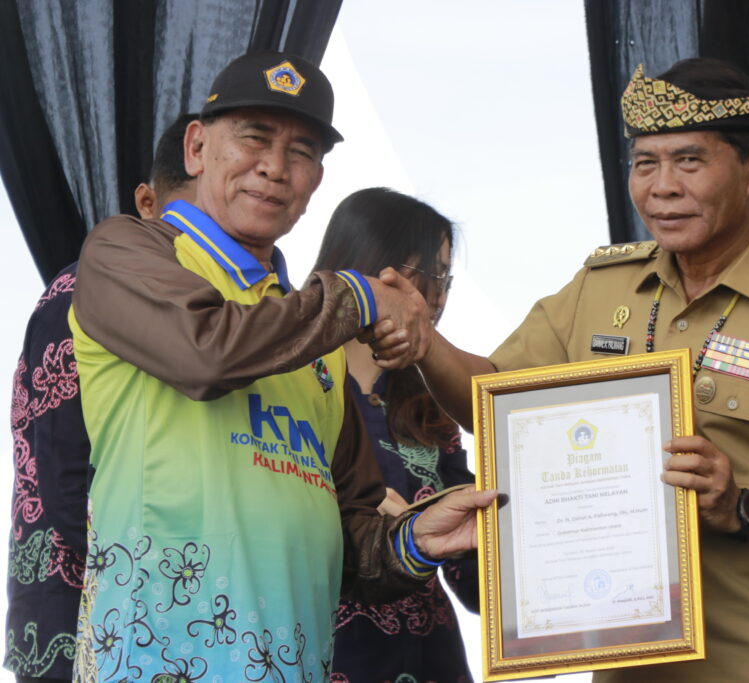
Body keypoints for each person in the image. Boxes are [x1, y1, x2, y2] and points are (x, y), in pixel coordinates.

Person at [388, 58, 749, 682]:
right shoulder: (602, 285)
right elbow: (494, 400)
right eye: (646, 163)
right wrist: (426, 340)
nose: (661, 187)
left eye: (689, 161)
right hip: (629, 667)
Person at [67, 51, 494, 681]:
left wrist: (411, 540)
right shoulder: (127, 251)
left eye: (301, 152)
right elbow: (204, 350)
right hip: (153, 662)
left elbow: (351, 538)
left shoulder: (311, 338)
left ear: (317, 180)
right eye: (254, 138)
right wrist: (358, 295)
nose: (274, 167)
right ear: (196, 148)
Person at [4, 113, 196, 683]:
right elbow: (67, 486)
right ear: (147, 201)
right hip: (84, 618)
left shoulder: (217, 315)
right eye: (194, 215)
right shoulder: (84, 291)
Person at [314, 187, 478, 683]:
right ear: (381, 270)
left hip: (431, 660)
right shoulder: (288, 382)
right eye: (433, 276)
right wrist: (356, 515)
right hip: (323, 656)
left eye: (448, 280)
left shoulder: (432, 407)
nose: (442, 297)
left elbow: (471, 583)